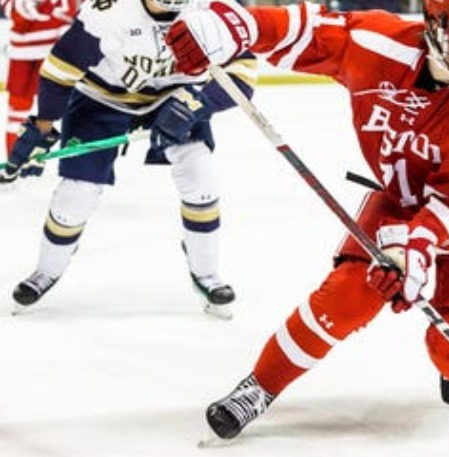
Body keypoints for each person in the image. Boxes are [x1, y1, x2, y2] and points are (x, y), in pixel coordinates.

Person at [165, 0, 449, 439]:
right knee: (346, 298)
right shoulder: (379, 45)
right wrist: (234, 24)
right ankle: (259, 388)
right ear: (434, 24)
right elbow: (304, 30)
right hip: (402, 197)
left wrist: (411, 250)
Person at [2, 0, 258, 319]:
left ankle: (205, 273)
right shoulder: (107, 11)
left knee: (200, 177)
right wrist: (43, 123)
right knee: (75, 195)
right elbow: (61, 66)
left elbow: (244, 70)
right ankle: (46, 270)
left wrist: (200, 102)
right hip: (101, 99)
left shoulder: (213, 7)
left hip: (176, 98)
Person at [0, 0, 78, 159]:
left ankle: (40, 152)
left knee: (53, 106)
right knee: (17, 108)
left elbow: (72, 13)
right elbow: (9, 8)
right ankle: (13, 156)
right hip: (21, 52)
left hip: (54, 53)